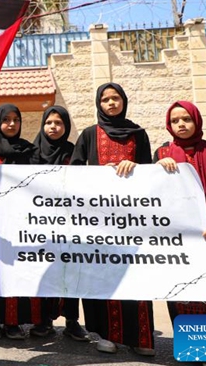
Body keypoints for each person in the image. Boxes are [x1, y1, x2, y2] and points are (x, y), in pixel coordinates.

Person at [71, 83, 155, 356]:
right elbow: (73, 173)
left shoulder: (138, 134)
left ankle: (140, 337)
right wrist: (98, 172)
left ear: (124, 101)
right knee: (103, 275)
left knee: (136, 273)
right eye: (105, 99)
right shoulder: (88, 135)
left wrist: (137, 169)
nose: (110, 103)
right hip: (99, 222)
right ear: (99, 104)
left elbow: (150, 174)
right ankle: (105, 335)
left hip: (133, 221)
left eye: (115, 98)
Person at [155, 101, 206, 364]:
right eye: (176, 120)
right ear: (170, 124)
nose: (181, 124)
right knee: (186, 296)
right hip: (181, 245)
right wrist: (158, 166)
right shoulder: (163, 154)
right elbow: (152, 197)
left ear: (197, 121)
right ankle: (195, 351)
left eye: (187, 119)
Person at [0, 103, 40, 340]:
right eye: (6, 120)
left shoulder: (30, 151)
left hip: (22, 223)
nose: (12, 124)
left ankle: (14, 321)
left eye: (16, 119)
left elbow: (40, 184)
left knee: (18, 268)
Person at [31, 106, 91, 341]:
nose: (53, 127)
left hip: (68, 223)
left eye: (59, 123)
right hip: (39, 223)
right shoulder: (32, 152)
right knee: (44, 270)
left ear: (66, 127)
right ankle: (43, 320)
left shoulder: (72, 152)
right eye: (49, 123)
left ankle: (72, 321)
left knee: (69, 270)